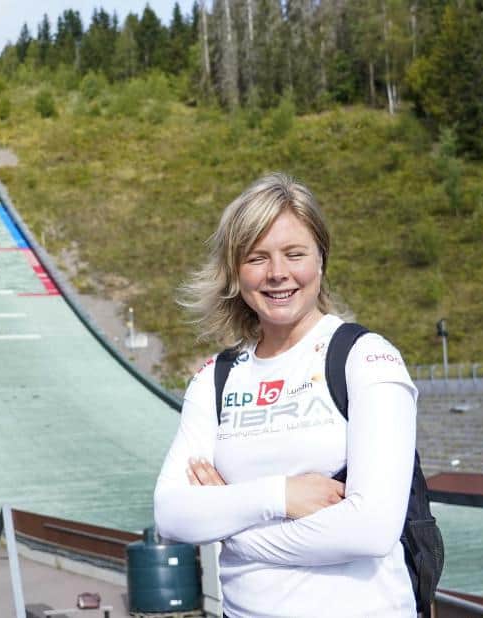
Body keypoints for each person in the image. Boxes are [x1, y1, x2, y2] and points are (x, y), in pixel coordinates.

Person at [154, 172, 418, 617]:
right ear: (236, 273)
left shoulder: (365, 358)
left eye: (294, 254)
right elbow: (171, 514)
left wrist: (231, 530)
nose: (278, 273)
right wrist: (279, 496)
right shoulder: (217, 378)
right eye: (257, 258)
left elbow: (371, 529)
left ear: (321, 260)